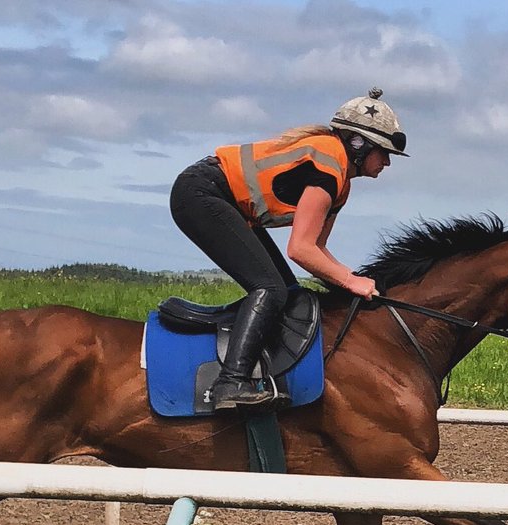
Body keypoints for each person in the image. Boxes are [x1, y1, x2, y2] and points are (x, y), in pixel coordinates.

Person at [169, 87, 407, 411]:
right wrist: (351, 282)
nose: (388, 163)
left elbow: (318, 248)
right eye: (384, 152)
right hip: (201, 193)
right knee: (270, 289)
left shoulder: (340, 181)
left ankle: (261, 372)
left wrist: (354, 279)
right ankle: (230, 383)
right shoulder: (328, 166)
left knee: (289, 294)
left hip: (225, 202)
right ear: (358, 144)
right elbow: (300, 250)